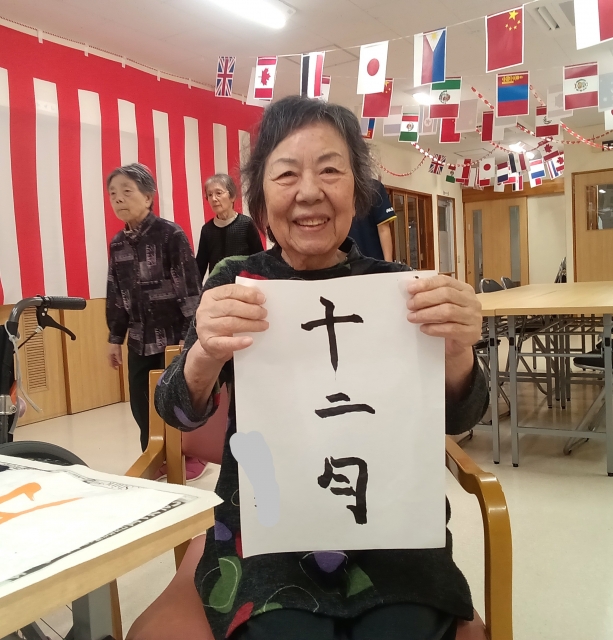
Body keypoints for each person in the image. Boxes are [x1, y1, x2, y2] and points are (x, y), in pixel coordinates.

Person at [155, 97, 488, 640]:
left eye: (330, 170)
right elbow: (177, 413)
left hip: (391, 533)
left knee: (400, 630)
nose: (309, 192)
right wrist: (205, 353)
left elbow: (460, 418)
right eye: (286, 174)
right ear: (261, 196)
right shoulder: (235, 280)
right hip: (268, 531)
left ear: (357, 190)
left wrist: (457, 354)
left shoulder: (398, 286)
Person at [105, 163, 203, 477]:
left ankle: (189, 456)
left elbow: (189, 288)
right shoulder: (117, 243)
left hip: (174, 337)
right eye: (112, 194)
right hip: (139, 339)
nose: (118, 199)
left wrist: (190, 336)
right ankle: (154, 455)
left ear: (148, 197)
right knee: (141, 404)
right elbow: (116, 293)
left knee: (176, 400)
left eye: (126, 191)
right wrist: (114, 338)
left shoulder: (170, 235)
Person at [195, 173, 264, 281]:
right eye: (209, 195)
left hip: (244, 285)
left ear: (232, 196)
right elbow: (200, 267)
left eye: (218, 193)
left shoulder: (246, 224)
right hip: (217, 286)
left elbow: (259, 260)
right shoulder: (207, 230)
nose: (214, 199)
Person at [348, 178, 396, 261]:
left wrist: (388, 263)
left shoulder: (374, 187)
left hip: (372, 261)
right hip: (345, 261)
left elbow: (383, 228)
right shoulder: (337, 188)